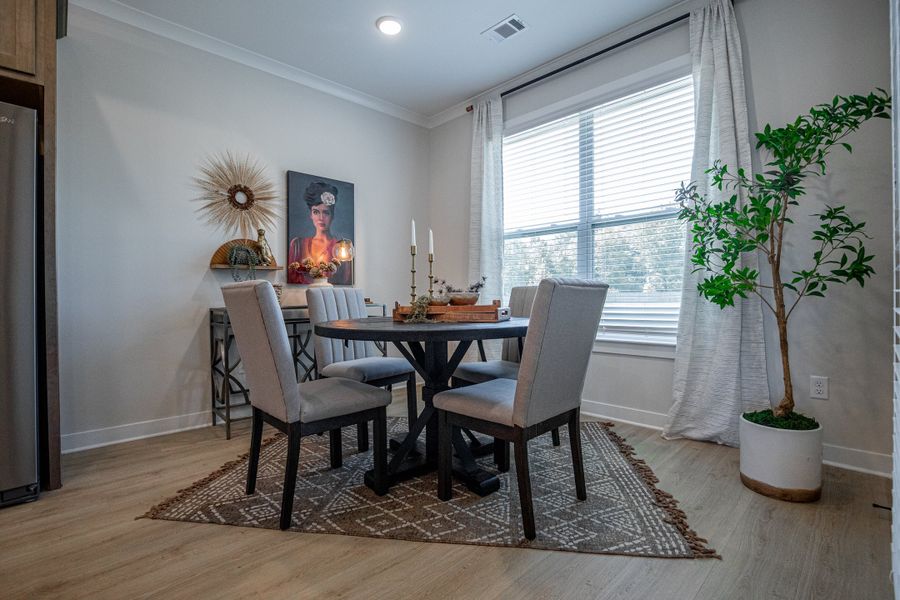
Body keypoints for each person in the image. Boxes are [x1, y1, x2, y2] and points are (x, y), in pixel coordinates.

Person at [287, 181, 352, 284]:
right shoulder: (297, 245)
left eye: (326, 212)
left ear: (333, 215)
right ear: (311, 215)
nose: (321, 218)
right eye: (316, 212)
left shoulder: (342, 249)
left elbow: (346, 280)